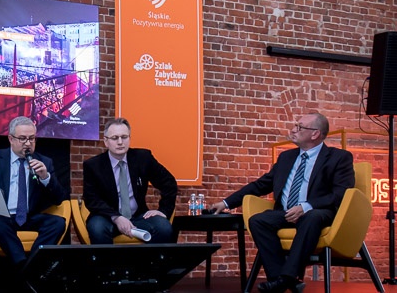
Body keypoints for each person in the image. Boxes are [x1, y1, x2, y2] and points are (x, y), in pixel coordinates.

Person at [209, 113, 354, 293]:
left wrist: (305, 207)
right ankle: (282, 279)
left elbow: (341, 193)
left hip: (317, 212)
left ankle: (286, 278)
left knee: (312, 217)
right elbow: (261, 185)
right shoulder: (286, 157)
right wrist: (226, 203)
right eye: (295, 125)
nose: (293, 130)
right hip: (286, 212)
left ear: (315, 134)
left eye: (299, 127)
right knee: (258, 220)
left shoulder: (338, 157)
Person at [0, 116, 68, 269]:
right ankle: (25, 266)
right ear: (11, 139)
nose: (28, 143)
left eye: (32, 139)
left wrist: (45, 177)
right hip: (3, 216)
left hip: (29, 216)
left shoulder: (44, 162)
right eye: (22, 138)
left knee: (58, 223)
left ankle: (32, 265)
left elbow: (59, 198)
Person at [83, 117, 177, 244]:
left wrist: (163, 211)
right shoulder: (93, 165)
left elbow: (169, 183)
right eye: (115, 138)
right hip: (107, 217)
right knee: (97, 228)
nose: (120, 142)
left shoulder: (143, 158)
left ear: (129, 138)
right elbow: (91, 199)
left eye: (124, 137)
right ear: (106, 141)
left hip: (138, 216)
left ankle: (151, 258)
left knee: (164, 227)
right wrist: (116, 217)